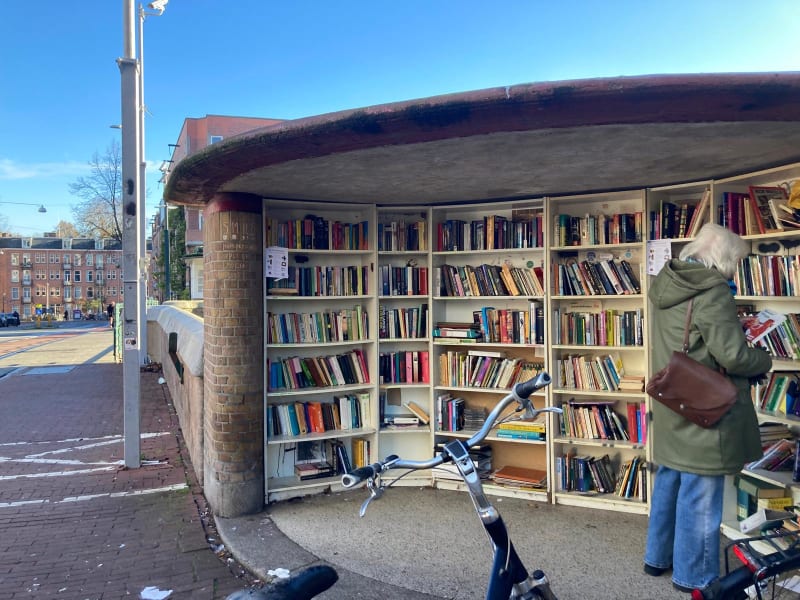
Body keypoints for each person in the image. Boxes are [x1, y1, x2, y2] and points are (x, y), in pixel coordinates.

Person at [644, 223, 772, 593]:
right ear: (725, 258)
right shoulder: (713, 291)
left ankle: (658, 559)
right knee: (700, 495)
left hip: (674, 400)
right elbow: (731, 356)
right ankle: (694, 578)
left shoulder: (667, 283)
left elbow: (693, 337)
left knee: (669, 480)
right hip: (704, 408)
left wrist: (731, 329)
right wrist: (762, 359)